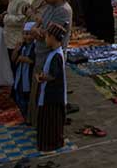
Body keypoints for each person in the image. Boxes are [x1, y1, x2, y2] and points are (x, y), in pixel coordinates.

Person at [35, 22, 68, 152]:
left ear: (53, 38)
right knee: (49, 121)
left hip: (53, 95)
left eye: (47, 36)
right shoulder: (54, 53)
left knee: (51, 121)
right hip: (51, 93)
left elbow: (54, 75)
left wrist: (42, 77)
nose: (46, 39)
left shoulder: (57, 56)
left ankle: (51, 143)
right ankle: (49, 142)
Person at [12, 22, 36, 123]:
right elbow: (13, 59)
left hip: (28, 77)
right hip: (19, 77)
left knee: (26, 99)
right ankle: (22, 116)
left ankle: (27, 117)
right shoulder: (22, 46)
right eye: (25, 34)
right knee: (18, 97)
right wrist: (16, 51)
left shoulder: (35, 47)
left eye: (29, 34)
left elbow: (34, 61)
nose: (27, 36)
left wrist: (23, 58)